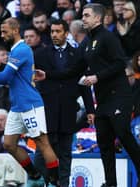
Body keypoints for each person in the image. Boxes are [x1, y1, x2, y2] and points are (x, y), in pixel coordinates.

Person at [0, 17, 59, 186]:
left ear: (15, 30)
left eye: (5, 31)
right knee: (9, 144)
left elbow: (4, 78)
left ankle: (55, 182)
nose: (2, 35)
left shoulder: (21, 50)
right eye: (1, 31)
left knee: (42, 143)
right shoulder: (15, 51)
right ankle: (34, 174)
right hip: (17, 105)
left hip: (30, 104)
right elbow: (12, 76)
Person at [82, 3, 140, 187]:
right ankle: (110, 183)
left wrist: (97, 77)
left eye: (86, 15)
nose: (82, 18)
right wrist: (49, 74)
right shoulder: (87, 42)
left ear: (97, 18)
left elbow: (120, 64)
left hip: (119, 95)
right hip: (103, 99)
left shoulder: (108, 37)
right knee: (104, 142)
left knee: (123, 133)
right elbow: (76, 68)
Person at [33, 19, 95, 187]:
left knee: (65, 153)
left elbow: (83, 84)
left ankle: (64, 184)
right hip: (47, 110)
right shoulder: (40, 55)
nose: (54, 35)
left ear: (66, 33)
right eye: (52, 31)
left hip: (68, 110)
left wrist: (90, 109)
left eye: (58, 31)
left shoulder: (77, 55)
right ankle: (40, 183)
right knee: (43, 152)